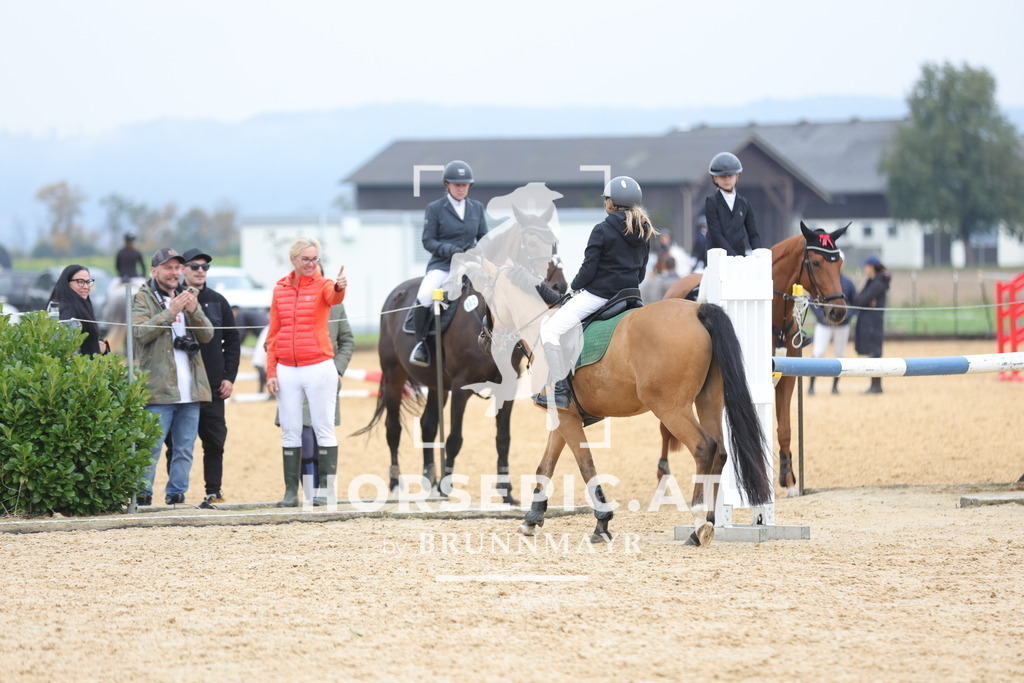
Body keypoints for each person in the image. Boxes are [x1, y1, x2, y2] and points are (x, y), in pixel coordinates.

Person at [534, 175, 655, 416]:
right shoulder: (645, 229)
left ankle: (559, 389)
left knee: (550, 328)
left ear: (611, 203)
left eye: (606, 200)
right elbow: (641, 273)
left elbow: (589, 269)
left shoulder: (602, 228)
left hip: (600, 295)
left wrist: (575, 287)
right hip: (631, 296)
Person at [265, 237, 347, 507]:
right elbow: (274, 332)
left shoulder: (324, 284)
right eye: (306, 259)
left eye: (315, 259)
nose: (311, 264)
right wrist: (270, 371)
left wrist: (339, 287)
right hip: (287, 368)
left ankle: (326, 489)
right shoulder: (279, 289)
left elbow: (333, 297)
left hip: (318, 365)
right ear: (294, 260)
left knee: (324, 428)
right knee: (290, 430)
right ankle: (291, 493)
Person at [132, 248, 214, 506]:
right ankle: (143, 496)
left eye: (178, 268)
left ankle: (177, 496)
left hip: (190, 388)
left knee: (184, 449)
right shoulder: (142, 298)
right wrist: (170, 311)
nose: (174, 272)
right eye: (168, 268)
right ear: (154, 271)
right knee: (150, 448)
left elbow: (208, 335)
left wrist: (194, 311)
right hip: (157, 388)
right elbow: (139, 333)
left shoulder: (187, 296)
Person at [163, 248, 241, 506]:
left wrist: (229, 377)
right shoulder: (169, 300)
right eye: (194, 266)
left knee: (215, 440)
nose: (200, 271)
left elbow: (232, 342)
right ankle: (176, 494)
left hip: (212, 385)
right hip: (181, 384)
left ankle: (213, 491)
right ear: (182, 269)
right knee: (175, 444)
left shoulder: (219, 301)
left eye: (205, 267)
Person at [276, 298, 355, 506]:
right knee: (303, 438)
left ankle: (323, 491)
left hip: (322, 378)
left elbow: (347, 340)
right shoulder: (288, 302)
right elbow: (274, 338)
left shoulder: (335, 306)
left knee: (321, 435)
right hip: (294, 375)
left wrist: (335, 369)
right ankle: (301, 492)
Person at [409, 159, 488, 367]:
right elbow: (428, 240)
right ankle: (421, 346)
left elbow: (484, 238)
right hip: (443, 266)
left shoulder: (477, 208)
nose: (461, 189)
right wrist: (450, 250)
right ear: (447, 185)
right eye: (457, 185)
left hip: (471, 266)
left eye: (465, 185)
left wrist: (479, 252)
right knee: (425, 294)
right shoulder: (435, 208)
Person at [808, 269, 857, 395]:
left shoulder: (847, 282)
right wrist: (821, 316)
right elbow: (812, 299)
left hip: (842, 325)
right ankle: (811, 386)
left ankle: (835, 387)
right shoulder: (821, 280)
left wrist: (846, 316)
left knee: (840, 354)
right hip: (824, 324)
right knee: (818, 353)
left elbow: (855, 302)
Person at [46, 264, 110, 355]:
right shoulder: (65, 310)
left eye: (88, 282)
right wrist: (94, 348)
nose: (86, 286)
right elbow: (69, 350)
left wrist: (96, 344)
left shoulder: (81, 306)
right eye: (80, 281)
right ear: (67, 283)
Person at [704, 152, 760, 256]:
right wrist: (732, 256)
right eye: (722, 176)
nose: (727, 179)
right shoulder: (711, 202)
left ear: (737, 176)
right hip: (718, 258)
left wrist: (758, 254)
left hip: (739, 256)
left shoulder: (744, 203)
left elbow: (753, 234)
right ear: (715, 178)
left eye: (730, 176)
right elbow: (716, 234)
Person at [854, 256, 892, 394]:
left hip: (874, 322)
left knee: (875, 352)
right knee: (873, 353)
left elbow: (862, 299)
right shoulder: (872, 281)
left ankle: (876, 385)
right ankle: (874, 385)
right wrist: (863, 300)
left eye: (866, 266)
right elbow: (860, 299)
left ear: (872, 267)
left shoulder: (878, 283)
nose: (865, 269)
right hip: (870, 321)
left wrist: (864, 300)